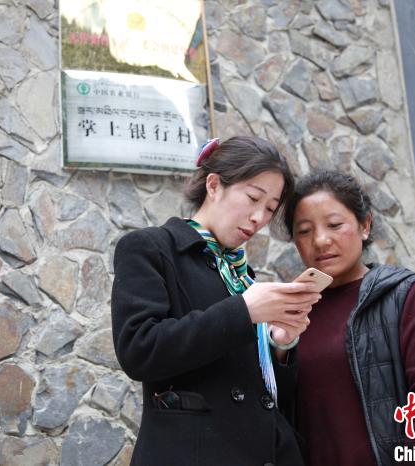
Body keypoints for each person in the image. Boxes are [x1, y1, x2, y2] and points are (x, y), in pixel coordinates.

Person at [111, 136, 320, 466]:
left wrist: (281, 344)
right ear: (213, 185)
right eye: (253, 198)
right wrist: (244, 311)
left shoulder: (242, 275)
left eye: (270, 208)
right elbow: (138, 350)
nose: (259, 217)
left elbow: (265, 394)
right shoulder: (150, 248)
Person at [284, 170, 415, 466]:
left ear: (365, 225)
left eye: (334, 225)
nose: (320, 240)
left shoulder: (405, 296)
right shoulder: (289, 314)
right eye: (304, 231)